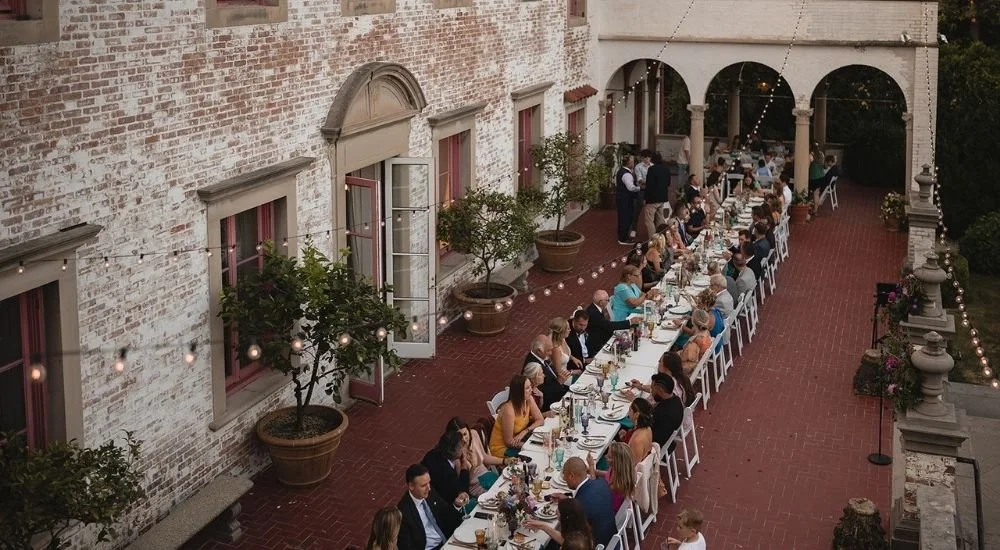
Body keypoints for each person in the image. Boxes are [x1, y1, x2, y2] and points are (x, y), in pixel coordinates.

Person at [397, 464, 463, 550]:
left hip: (447, 541)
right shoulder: (403, 512)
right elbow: (407, 546)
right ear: (411, 486)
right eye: (423, 485)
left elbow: (445, 512)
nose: (429, 488)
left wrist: (456, 505)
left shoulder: (430, 493)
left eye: (429, 483)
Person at [550, 457, 616, 545]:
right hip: (612, 540)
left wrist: (559, 519)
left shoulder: (579, 507)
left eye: (564, 476)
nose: (565, 479)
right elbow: (590, 500)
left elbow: (570, 541)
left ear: (571, 476)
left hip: (596, 544)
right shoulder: (601, 483)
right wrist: (567, 500)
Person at [445, 417, 510, 497]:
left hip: (488, 475)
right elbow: (464, 484)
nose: (464, 439)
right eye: (459, 436)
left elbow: (484, 457)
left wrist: (505, 461)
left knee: (510, 488)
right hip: (474, 486)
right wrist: (473, 467)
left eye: (465, 434)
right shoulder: (456, 453)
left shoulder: (474, 434)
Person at [489, 374, 545, 457]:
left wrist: (524, 431)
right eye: (527, 388)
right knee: (536, 453)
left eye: (530, 386)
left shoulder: (528, 399)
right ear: (519, 392)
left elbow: (540, 420)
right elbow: (508, 442)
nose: (531, 390)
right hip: (502, 448)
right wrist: (528, 445)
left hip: (520, 439)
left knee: (542, 447)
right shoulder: (509, 411)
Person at [420, 430, 471, 507]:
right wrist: (464, 463)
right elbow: (462, 492)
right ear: (453, 451)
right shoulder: (446, 472)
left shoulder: (433, 453)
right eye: (461, 447)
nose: (463, 449)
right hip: (442, 504)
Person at [524, 498, 594, 548]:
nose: (556, 511)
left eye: (559, 510)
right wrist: (543, 526)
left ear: (566, 518)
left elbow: (566, 543)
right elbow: (564, 540)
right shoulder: (581, 530)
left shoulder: (574, 545)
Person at [586, 441, 636, 511]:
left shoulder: (617, 484)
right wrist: (589, 470)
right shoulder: (621, 471)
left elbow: (595, 491)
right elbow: (607, 474)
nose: (606, 457)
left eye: (609, 457)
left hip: (605, 509)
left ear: (617, 462)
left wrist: (591, 467)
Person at [650, 373, 684, 453]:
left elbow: (654, 437)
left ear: (660, 390)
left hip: (656, 448)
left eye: (653, 389)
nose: (651, 393)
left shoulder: (665, 414)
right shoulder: (676, 400)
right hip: (667, 441)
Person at [642, 151, 671, 239]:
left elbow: (649, 185)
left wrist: (645, 198)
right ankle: (662, 237)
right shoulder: (666, 169)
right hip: (662, 197)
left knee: (649, 221)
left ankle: (653, 240)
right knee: (660, 219)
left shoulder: (652, 169)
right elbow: (669, 183)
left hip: (652, 199)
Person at [550, 317, 583, 381]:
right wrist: (572, 372)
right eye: (568, 329)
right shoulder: (556, 349)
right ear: (562, 331)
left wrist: (573, 358)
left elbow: (564, 354)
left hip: (567, 373)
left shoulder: (563, 339)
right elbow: (559, 373)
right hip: (563, 379)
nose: (570, 330)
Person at [616, 154, 639, 244]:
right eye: (632, 161)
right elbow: (631, 188)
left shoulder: (621, 171)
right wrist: (640, 188)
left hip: (621, 198)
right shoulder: (626, 174)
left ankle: (622, 235)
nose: (634, 163)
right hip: (625, 199)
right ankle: (623, 238)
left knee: (623, 217)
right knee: (626, 217)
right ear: (629, 163)